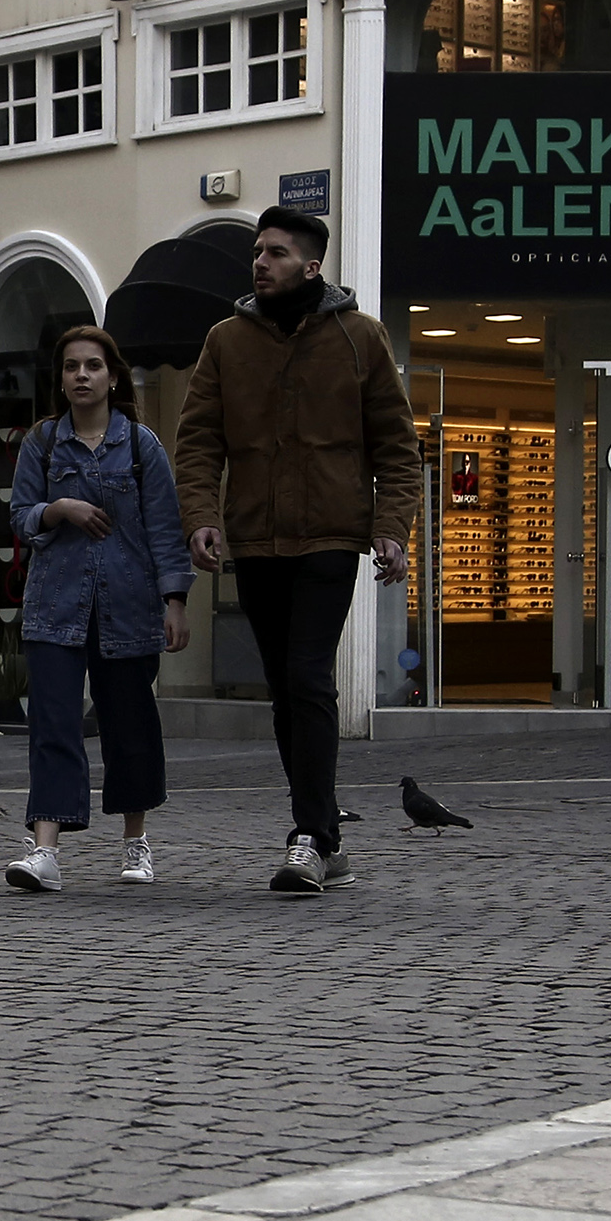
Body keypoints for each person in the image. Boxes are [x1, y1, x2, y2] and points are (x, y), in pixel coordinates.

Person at [174, 205, 424, 894]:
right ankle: (325, 836)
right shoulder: (226, 340)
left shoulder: (359, 337)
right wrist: (200, 516)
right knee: (285, 689)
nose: (260, 262)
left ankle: (310, 837)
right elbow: (197, 441)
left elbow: (396, 446)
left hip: (330, 536)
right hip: (255, 538)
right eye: (258, 251)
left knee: (308, 677)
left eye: (276, 252)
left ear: (311, 266)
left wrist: (391, 527)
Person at [5, 326, 191, 893]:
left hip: (128, 606)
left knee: (130, 727)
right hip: (54, 606)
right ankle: (45, 851)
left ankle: (136, 842)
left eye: (92, 366)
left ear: (112, 377)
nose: (81, 375)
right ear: (61, 379)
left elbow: (165, 529)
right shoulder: (42, 443)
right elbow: (20, 517)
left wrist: (175, 601)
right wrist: (58, 509)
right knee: (53, 726)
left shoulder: (140, 445)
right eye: (71, 367)